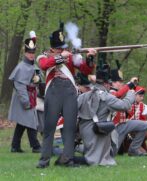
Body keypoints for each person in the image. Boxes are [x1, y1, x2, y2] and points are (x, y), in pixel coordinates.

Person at [36, 26, 95, 168]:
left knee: (69, 127)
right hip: (53, 92)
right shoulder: (44, 56)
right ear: (53, 48)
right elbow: (44, 65)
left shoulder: (70, 57)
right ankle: (44, 160)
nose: (61, 50)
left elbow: (86, 69)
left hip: (70, 93)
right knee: (49, 127)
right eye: (58, 48)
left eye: (62, 48)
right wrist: (61, 56)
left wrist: (90, 57)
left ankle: (66, 159)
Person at [76, 69, 136, 166]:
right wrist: (131, 94)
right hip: (98, 130)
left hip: (84, 131)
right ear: (107, 84)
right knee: (97, 161)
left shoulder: (83, 96)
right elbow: (125, 105)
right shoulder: (106, 97)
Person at [8, 31, 41, 153]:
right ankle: (36, 146)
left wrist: (38, 80)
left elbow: (37, 80)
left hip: (30, 96)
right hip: (24, 98)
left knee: (22, 123)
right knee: (30, 121)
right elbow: (20, 86)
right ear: (25, 53)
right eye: (29, 53)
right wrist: (26, 101)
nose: (31, 55)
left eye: (33, 53)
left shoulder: (33, 66)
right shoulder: (21, 67)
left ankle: (15, 146)